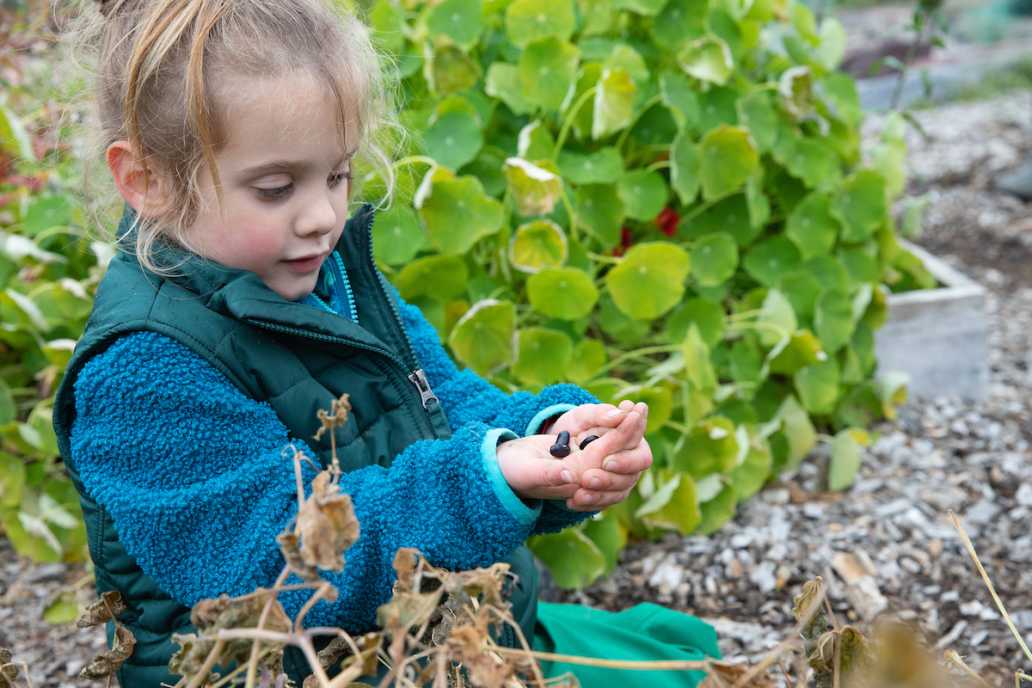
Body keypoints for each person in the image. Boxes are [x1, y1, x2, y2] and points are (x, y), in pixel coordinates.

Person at [51, 0, 721, 685]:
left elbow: (442, 398)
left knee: (684, 660)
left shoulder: (326, 272)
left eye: (337, 174)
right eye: (277, 187)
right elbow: (283, 565)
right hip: (310, 670)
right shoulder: (140, 373)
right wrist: (491, 479)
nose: (322, 217)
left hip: (440, 641)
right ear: (147, 182)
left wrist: (547, 438)